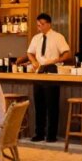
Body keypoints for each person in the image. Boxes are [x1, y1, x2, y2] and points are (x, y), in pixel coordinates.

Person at [26, 13, 70, 142]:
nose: (39, 27)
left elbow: (67, 53)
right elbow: (29, 52)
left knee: (52, 104)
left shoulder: (58, 37)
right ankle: (39, 133)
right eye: (38, 24)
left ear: (49, 24)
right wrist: (33, 61)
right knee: (39, 104)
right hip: (39, 70)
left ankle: (51, 135)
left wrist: (57, 60)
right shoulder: (36, 38)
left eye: (42, 24)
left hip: (52, 69)